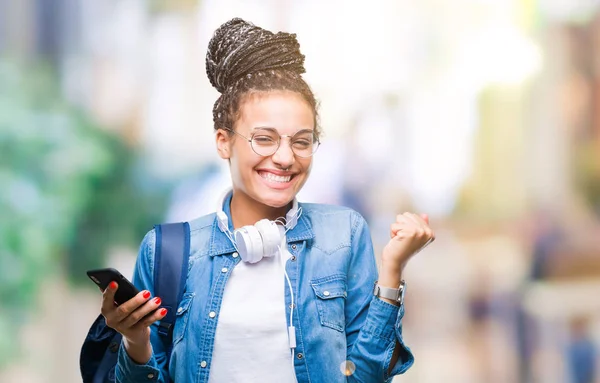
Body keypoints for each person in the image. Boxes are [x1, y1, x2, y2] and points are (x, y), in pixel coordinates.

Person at [100, 17, 434, 383]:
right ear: (223, 141)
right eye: (264, 138)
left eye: (302, 141)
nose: (286, 157)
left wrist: (391, 273)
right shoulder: (169, 250)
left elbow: (366, 376)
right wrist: (135, 340)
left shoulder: (344, 235)